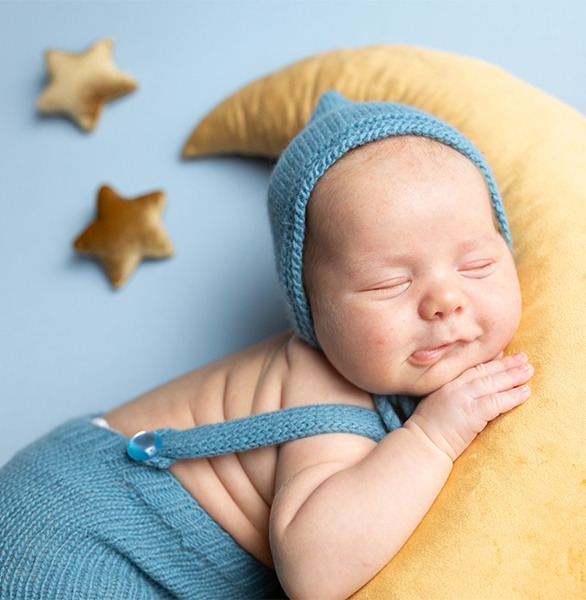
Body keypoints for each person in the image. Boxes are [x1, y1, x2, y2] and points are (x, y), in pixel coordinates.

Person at [0, 91, 533, 599]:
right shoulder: (322, 380)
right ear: (312, 309)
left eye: (477, 265)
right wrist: (433, 438)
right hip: (80, 527)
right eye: (388, 284)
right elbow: (315, 574)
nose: (445, 300)